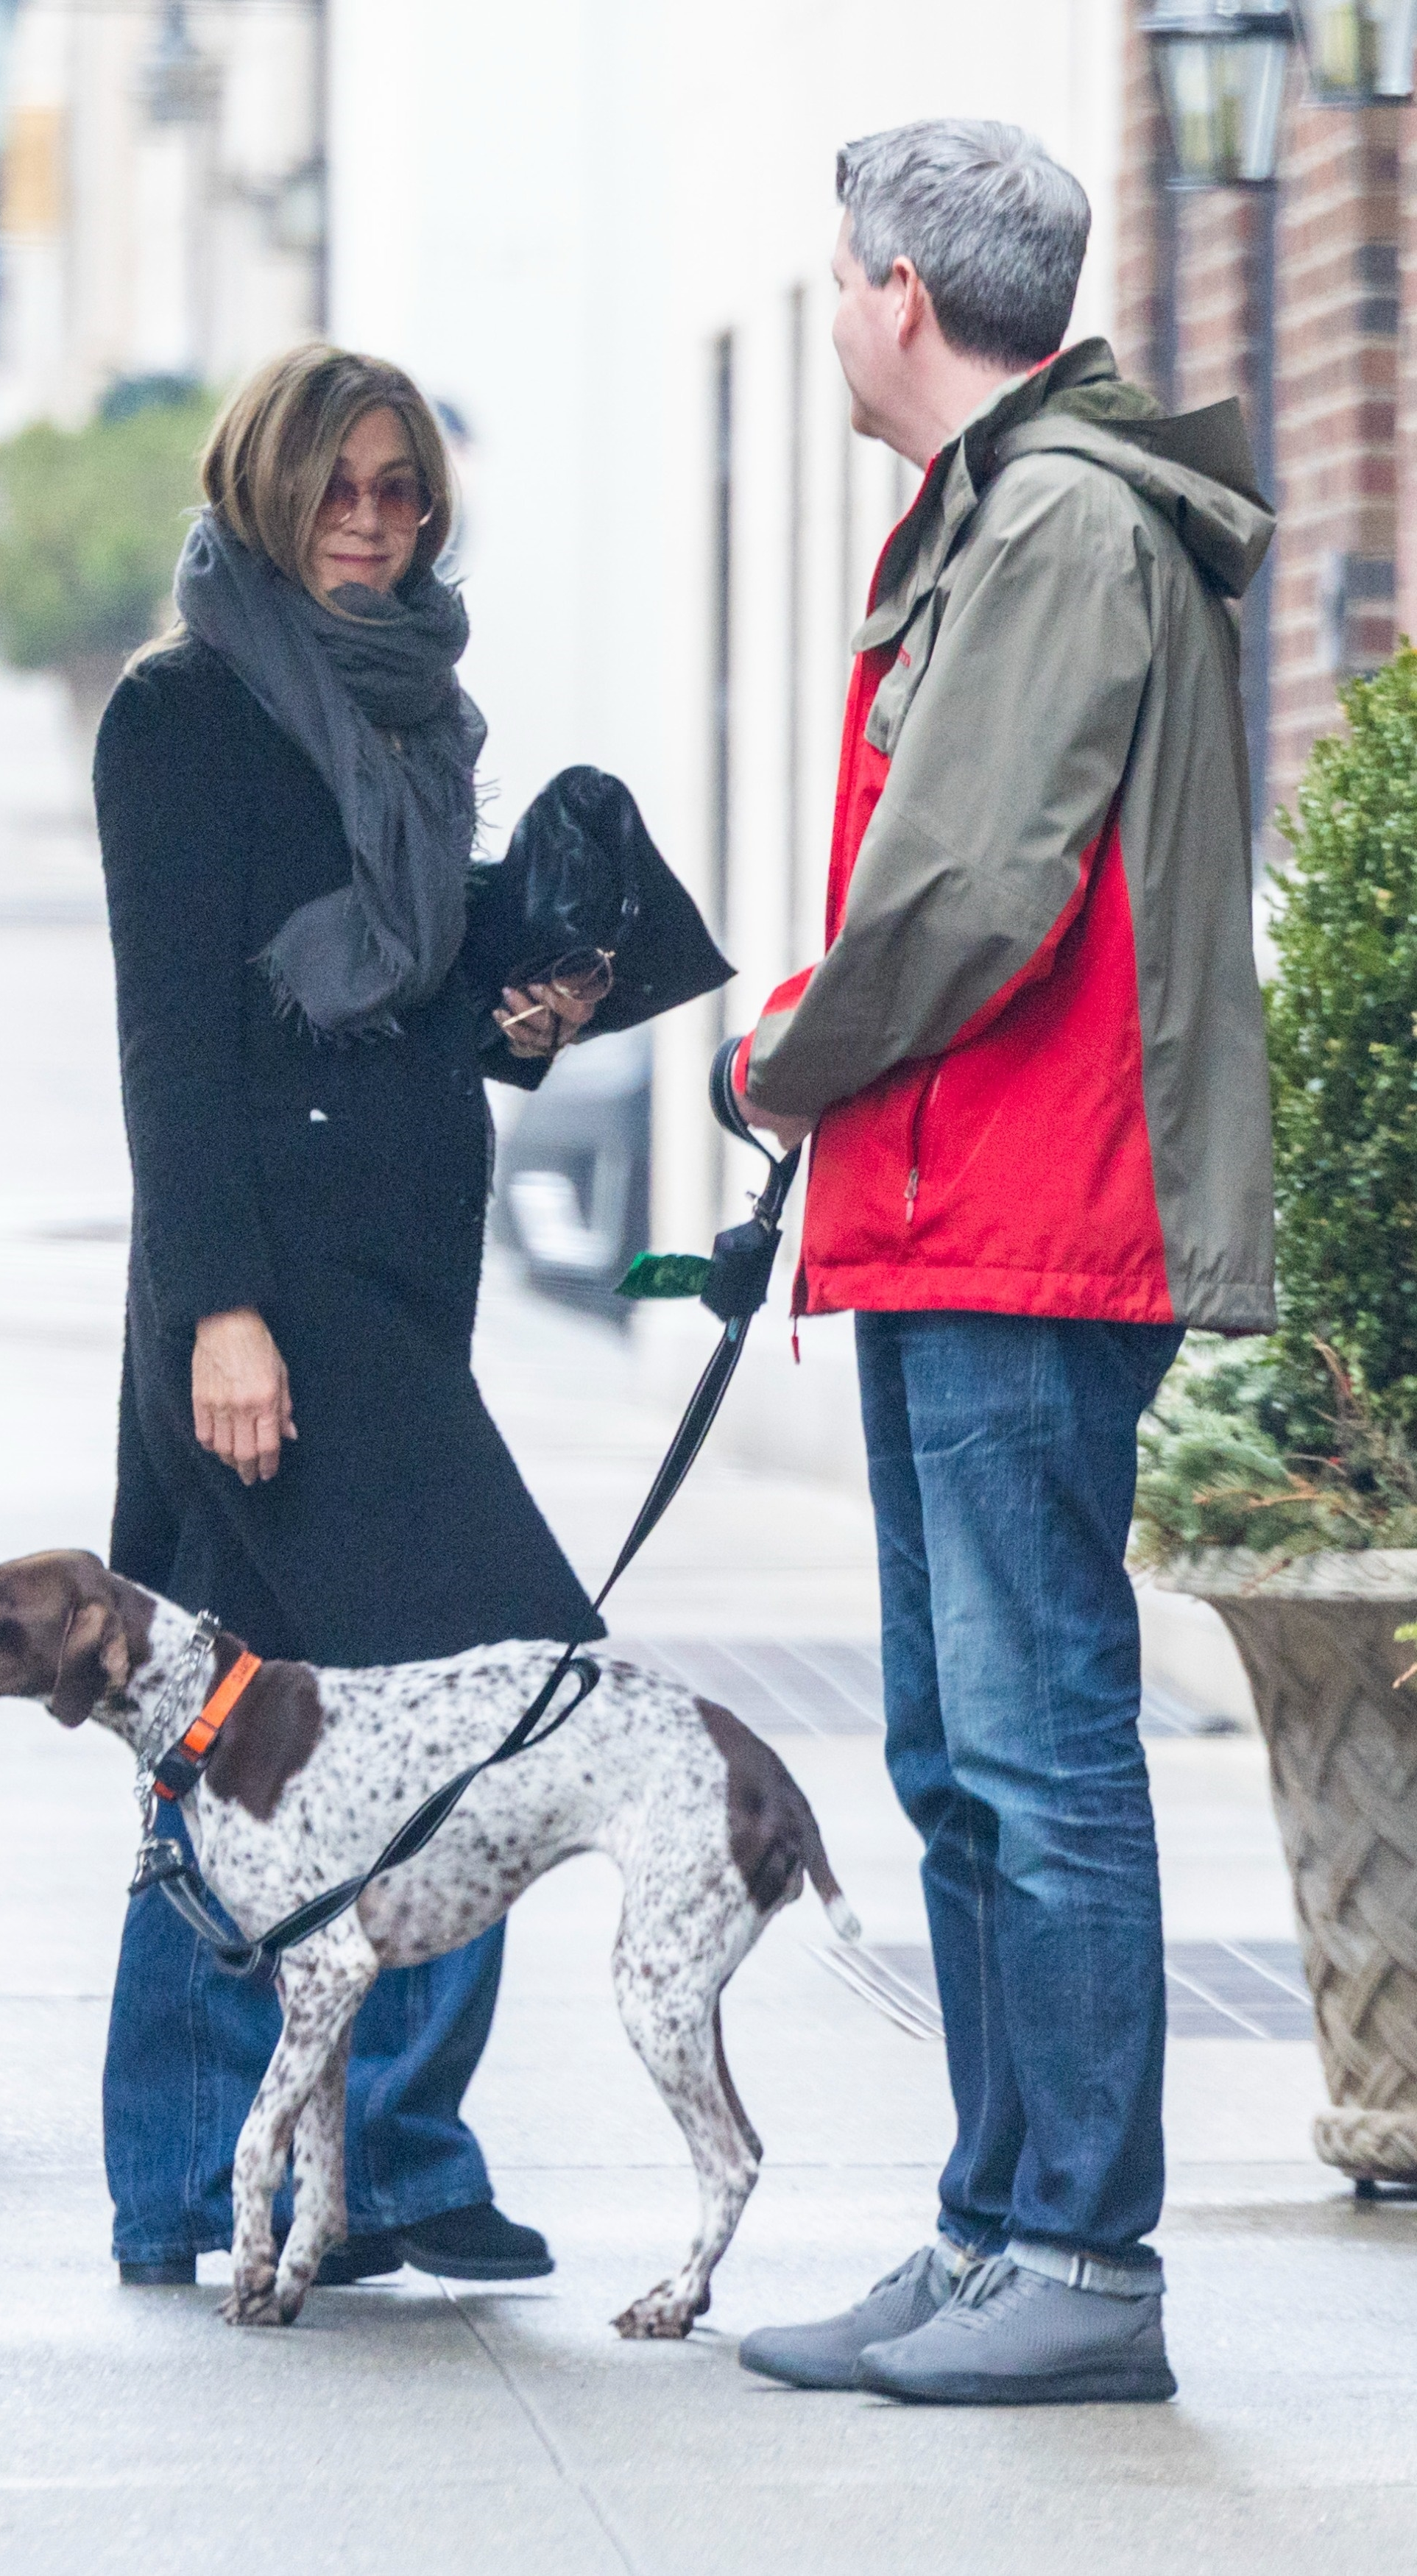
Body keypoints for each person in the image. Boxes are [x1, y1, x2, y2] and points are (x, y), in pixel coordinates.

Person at [729, 122, 1276, 2405]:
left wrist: (784, 1048)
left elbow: (967, 888)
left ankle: (1082, 2252)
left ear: (904, 295)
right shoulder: (1001, 505)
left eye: (841, 273)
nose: (831, 303)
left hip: (1038, 1221)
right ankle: (990, 2222)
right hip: (961, 1209)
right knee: (962, 1746)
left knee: (1038, 1748)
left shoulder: (1054, 518)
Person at [95, 344, 608, 2289]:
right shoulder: (183, 713)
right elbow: (173, 1043)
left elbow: (395, 988)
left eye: (405, 490)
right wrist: (218, 1314)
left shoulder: (416, 716)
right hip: (264, 1303)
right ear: (268, 489)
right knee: (430, 1688)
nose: (378, 521)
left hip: (398, 1291)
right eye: (344, 488)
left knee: (320, 1718)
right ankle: (277, 2158)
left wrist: (514, 1011)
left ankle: (359, 2160)